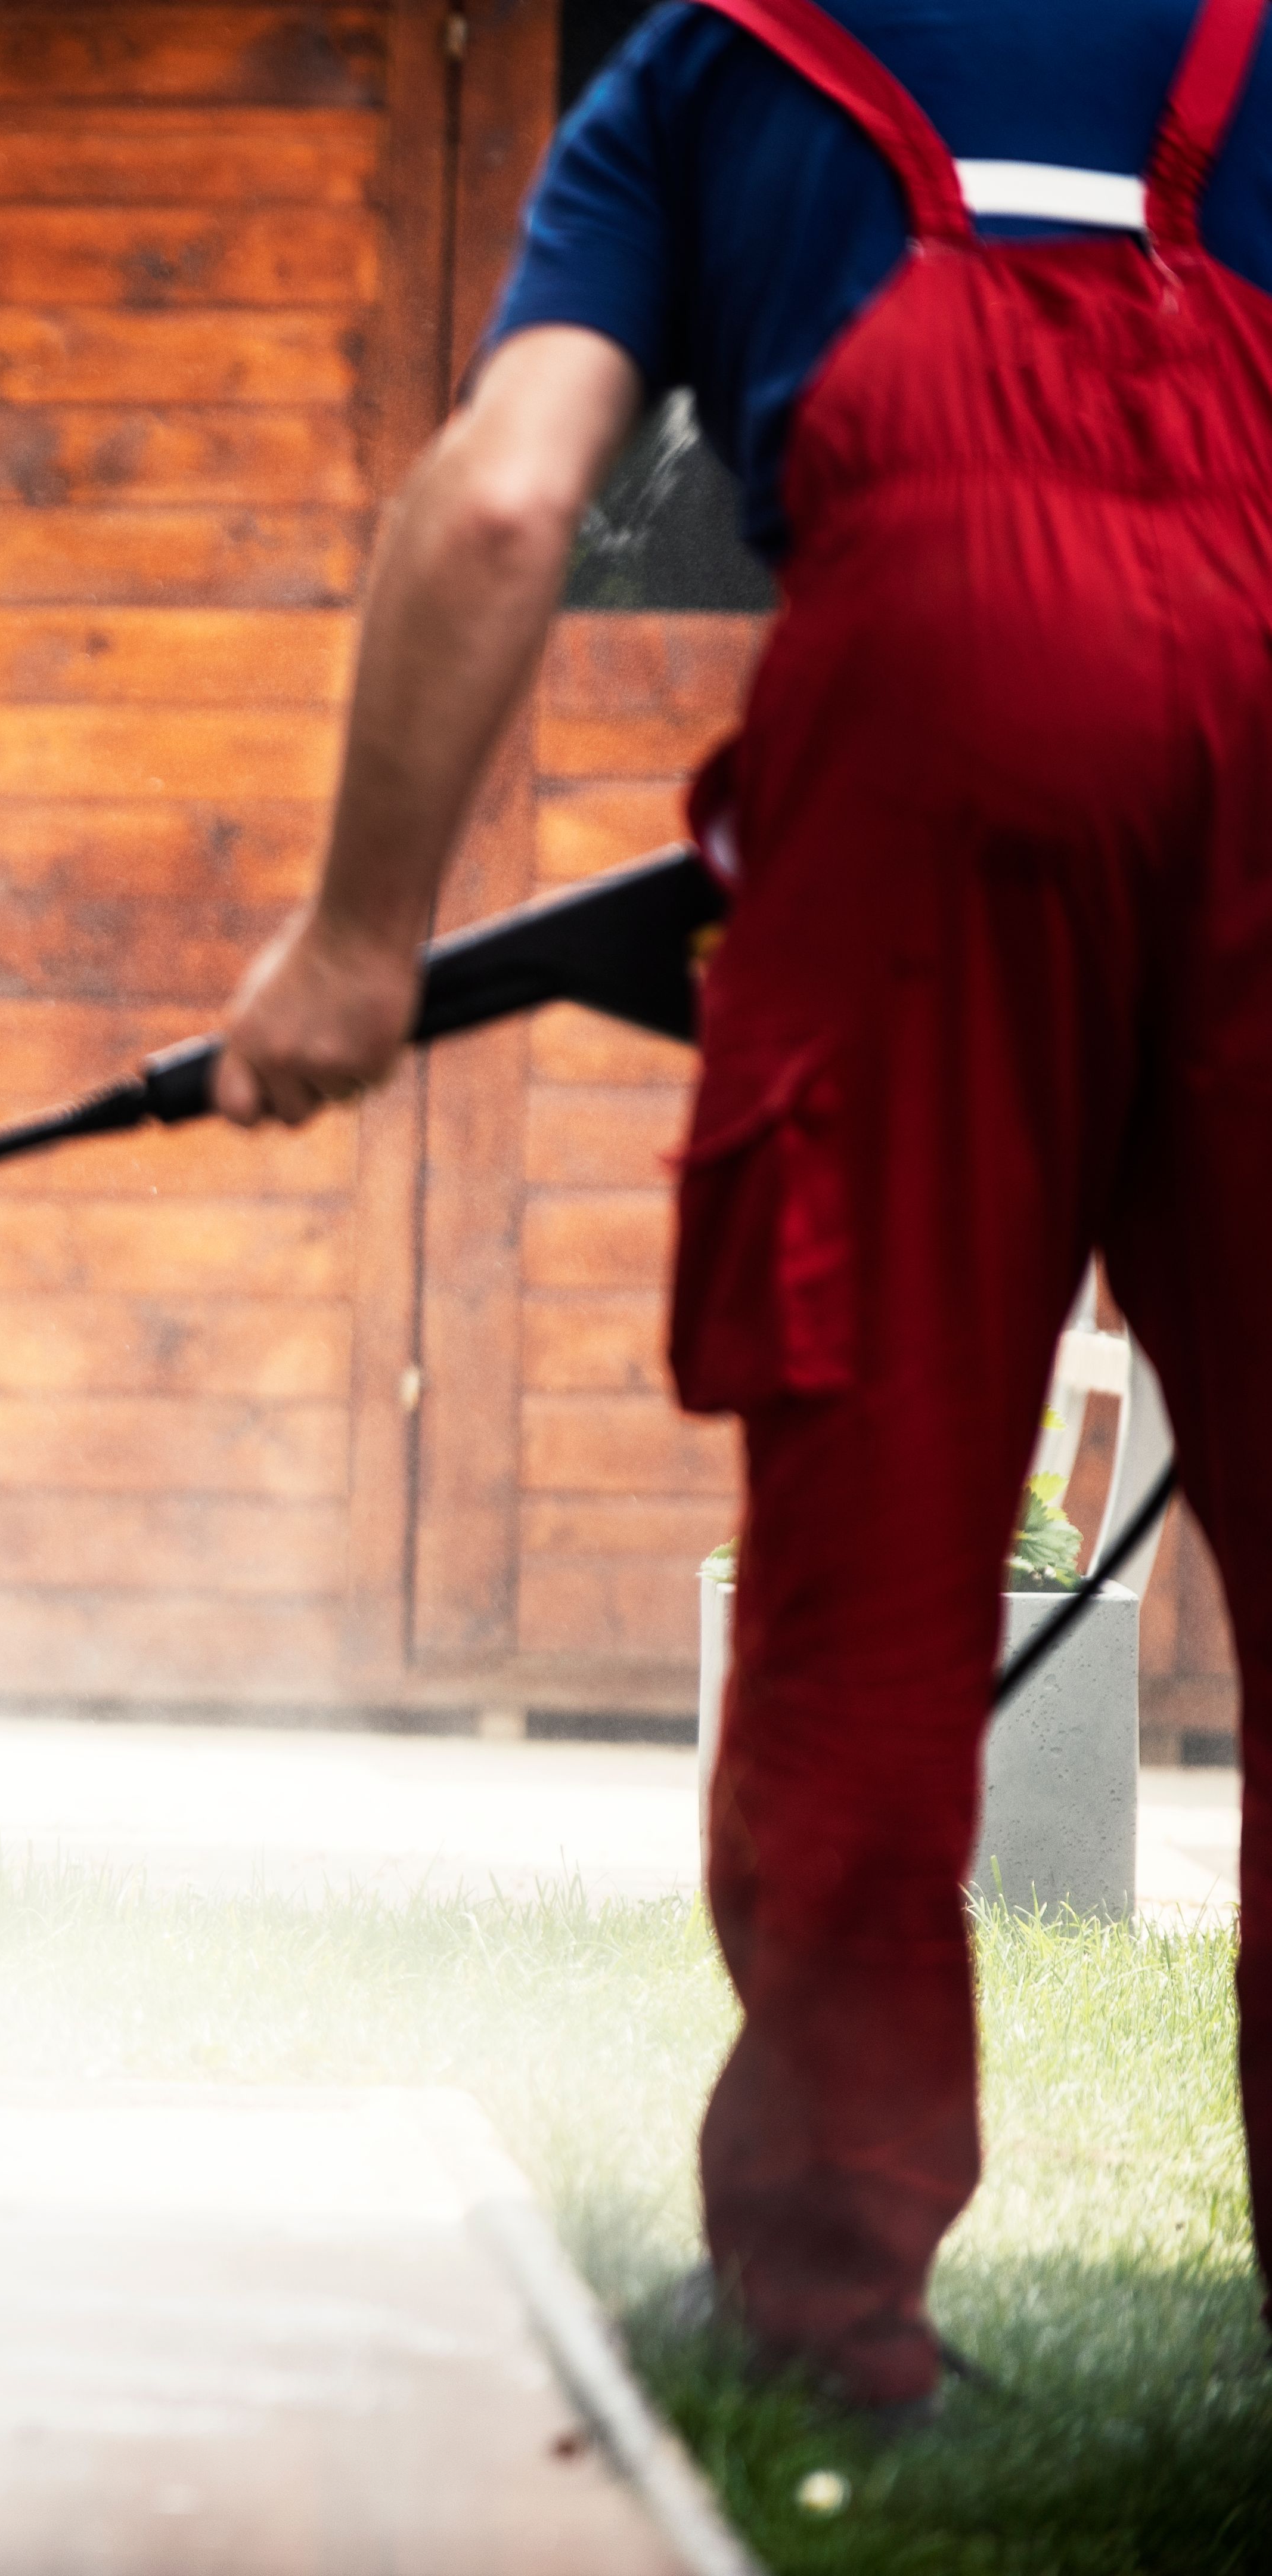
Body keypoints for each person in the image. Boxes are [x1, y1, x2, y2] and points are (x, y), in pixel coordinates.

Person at [215, 0, 1272, 2421]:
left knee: (872, 1581)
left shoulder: (716, 65)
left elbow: (499, 502)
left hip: (914, 764)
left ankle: (827, 2313)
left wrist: (356, 937)